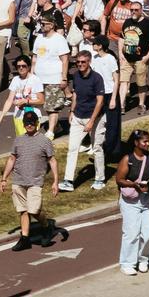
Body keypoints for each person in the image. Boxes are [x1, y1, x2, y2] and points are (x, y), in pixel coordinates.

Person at [0, 110, 60, 251]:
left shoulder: (44, 141)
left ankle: (46, 226)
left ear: (37, 123)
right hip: (18, 180)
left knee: (34, 210)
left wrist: (55, 181)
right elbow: (12, 159)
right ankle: (25, 238)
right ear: (24, 124)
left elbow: (52, 161)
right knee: (23, 210)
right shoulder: (18, 140)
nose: (29, 126)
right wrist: (4, 179)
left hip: (35, 182)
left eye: (32, 123)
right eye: (27, 123)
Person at [114, 129, 149, 276]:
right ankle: (127, 263)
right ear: (136, 143)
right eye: (144, 141)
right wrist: (134, 185)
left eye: (148, 141)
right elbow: (119, 179)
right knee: (131, 233)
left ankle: (143, 258)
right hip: (130, 202)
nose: (148, 144)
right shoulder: (127, 159)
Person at [59, 50, 106, 192]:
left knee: (97, 148)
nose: (80, 64)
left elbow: (100, 102)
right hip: (78, 117)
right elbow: (76, 95)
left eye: (83, 62)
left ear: (89, 62)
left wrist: (92, 121)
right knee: (72, 149)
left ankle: (100, 178)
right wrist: (72, 111)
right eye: (78, 62)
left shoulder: (97, 78)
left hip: (95, 118)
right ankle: (68, 181)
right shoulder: (76, 76)